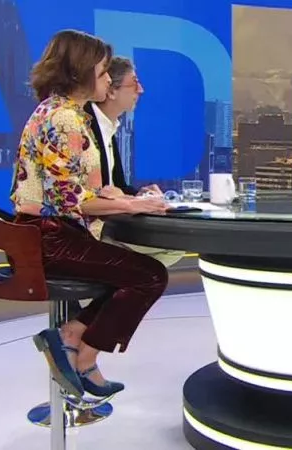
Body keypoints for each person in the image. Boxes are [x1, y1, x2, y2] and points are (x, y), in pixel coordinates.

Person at [10, 29, 169, 398]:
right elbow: (71, 201)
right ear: (80, 73)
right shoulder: (64, 119)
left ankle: (75, 341)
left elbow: (71, 188)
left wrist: (113, 195)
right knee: (150, 275)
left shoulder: (62, 112)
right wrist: (131, 204)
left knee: (131, 272)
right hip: (51, 237)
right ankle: (81, 350)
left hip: (52, 232)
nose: (108, 80)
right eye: (102, 72)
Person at [83, 56, 184, 266]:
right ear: (111, 90)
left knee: (175, 246)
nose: (141, 90)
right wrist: (128, 202)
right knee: (173, 246)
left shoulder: (108, 126)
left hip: (108, 222)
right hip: (88, 228)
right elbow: (90, 194)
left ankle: (118, 279)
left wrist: (138, 195)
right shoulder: (83, 124)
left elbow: (116, 186)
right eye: (134, 83)